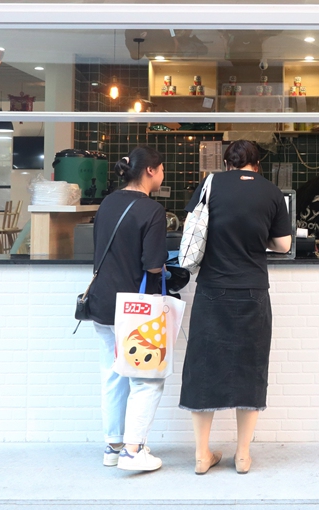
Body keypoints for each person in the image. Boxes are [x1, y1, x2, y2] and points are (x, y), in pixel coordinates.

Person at [180, 140, 292, 475]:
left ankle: (202, 455)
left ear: (227, 163)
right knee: (250, 368)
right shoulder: (271, 192)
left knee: (203, 369)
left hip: (212, 289)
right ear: (257, 164)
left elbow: (194, 229)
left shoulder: (209, 184)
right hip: (253, 290)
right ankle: (242, 455)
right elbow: (284, 245)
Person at [86, 147, 170, 472]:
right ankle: (133, 452)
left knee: (113, 375)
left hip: (102, 304)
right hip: (132, 310)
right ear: (150, 170)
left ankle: (113, 446)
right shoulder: (152, 210)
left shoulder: (108, 203)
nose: (163, 175)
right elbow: (153, 266)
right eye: (162, 169)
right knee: (146, 379)